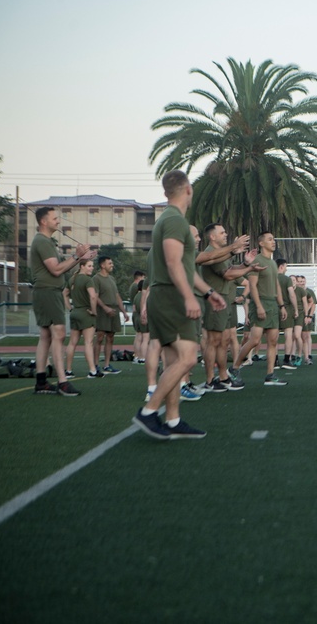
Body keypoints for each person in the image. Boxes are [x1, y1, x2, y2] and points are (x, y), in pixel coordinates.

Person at [131, 170, 226, 440]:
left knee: (173, 360)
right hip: (172, 296)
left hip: (167, 295)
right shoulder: (174, 221)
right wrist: (187, 297)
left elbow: (187, 269)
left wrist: (208, 293)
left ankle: (172, 420)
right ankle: (149, 412)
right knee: (187, 358)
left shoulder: (172, 220)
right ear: (188, 189)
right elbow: (174, 264)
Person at [28, 206, 94, 396]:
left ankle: (41, 382)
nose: (58, 221)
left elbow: (60, 267)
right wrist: (77, 256)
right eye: (55, 218)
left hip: (46, 292)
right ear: (43, 221)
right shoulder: (43, 241)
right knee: (57, 334)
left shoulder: (45, 241)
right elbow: (56, 270)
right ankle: (63, 382)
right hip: (48, 292)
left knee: (46, 336)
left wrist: (80, 258)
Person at [199, 222, 254, 392]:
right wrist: (249, 268)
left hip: (224, 299)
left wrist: (245, 265)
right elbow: (229, 275)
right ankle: (210, 380)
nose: (226, 235)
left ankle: (223, 377)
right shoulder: (210, 253)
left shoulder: (221, 254)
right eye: (222, 233)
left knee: (222, 341)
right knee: (213, 341)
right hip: (215, 300)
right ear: (212, 236)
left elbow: (231, 269)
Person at [231, 231, 288, 386]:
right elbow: (253, 286)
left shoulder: (272, 263)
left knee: (273, 341)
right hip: (261, 303)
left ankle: (270, 375)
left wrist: (281, 305)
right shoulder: (257, 260)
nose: (273, 242)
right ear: (261, 243)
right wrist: (259, 306)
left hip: (273, 305)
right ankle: (234, 367)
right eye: (270, 239)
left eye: (274, 239)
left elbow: (276, 285)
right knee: (254, 340)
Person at [64, 259, 103, 380]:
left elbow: (64, 294)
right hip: (85, 313)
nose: (92, 268)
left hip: (75, 312)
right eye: (89, 266)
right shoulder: (87, 280)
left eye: (92, 266)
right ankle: (92, 370)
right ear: (82, 266)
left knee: (72, 343)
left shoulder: (72, 279)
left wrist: (70, 308)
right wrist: (94, 311)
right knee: (88, 342)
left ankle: (68, 370)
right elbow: (92, 296)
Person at [92, 256, 128, 374]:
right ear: (103, 265)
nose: (112, 265)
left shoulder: (112, 278)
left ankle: (107, 365)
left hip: (114, 310)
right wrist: (105, 308)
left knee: (111, 338)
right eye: (110, 263)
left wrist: (123, 311)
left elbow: (117, 296)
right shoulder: (96, 278)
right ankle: (95, 365)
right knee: (100, 337)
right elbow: (95, 296)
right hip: (103, 310)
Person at [275, 260, 299, 370]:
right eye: (285, 266)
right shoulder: (286, 279)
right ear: (281, 266)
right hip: (286, 307)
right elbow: (292, 295)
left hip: (273, 308)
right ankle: (286, 360)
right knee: (288, 334)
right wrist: (296, 309)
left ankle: (274, 361)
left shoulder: (271, 278)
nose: (286, 269)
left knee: (273, 336)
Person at [128, 270, 146, 363]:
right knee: (145, 337)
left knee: (138, 335)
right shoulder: (136, 287)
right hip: (140, 312)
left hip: (136, 312)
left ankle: (137, 356)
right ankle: (142, 356)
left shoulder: (132, 287)